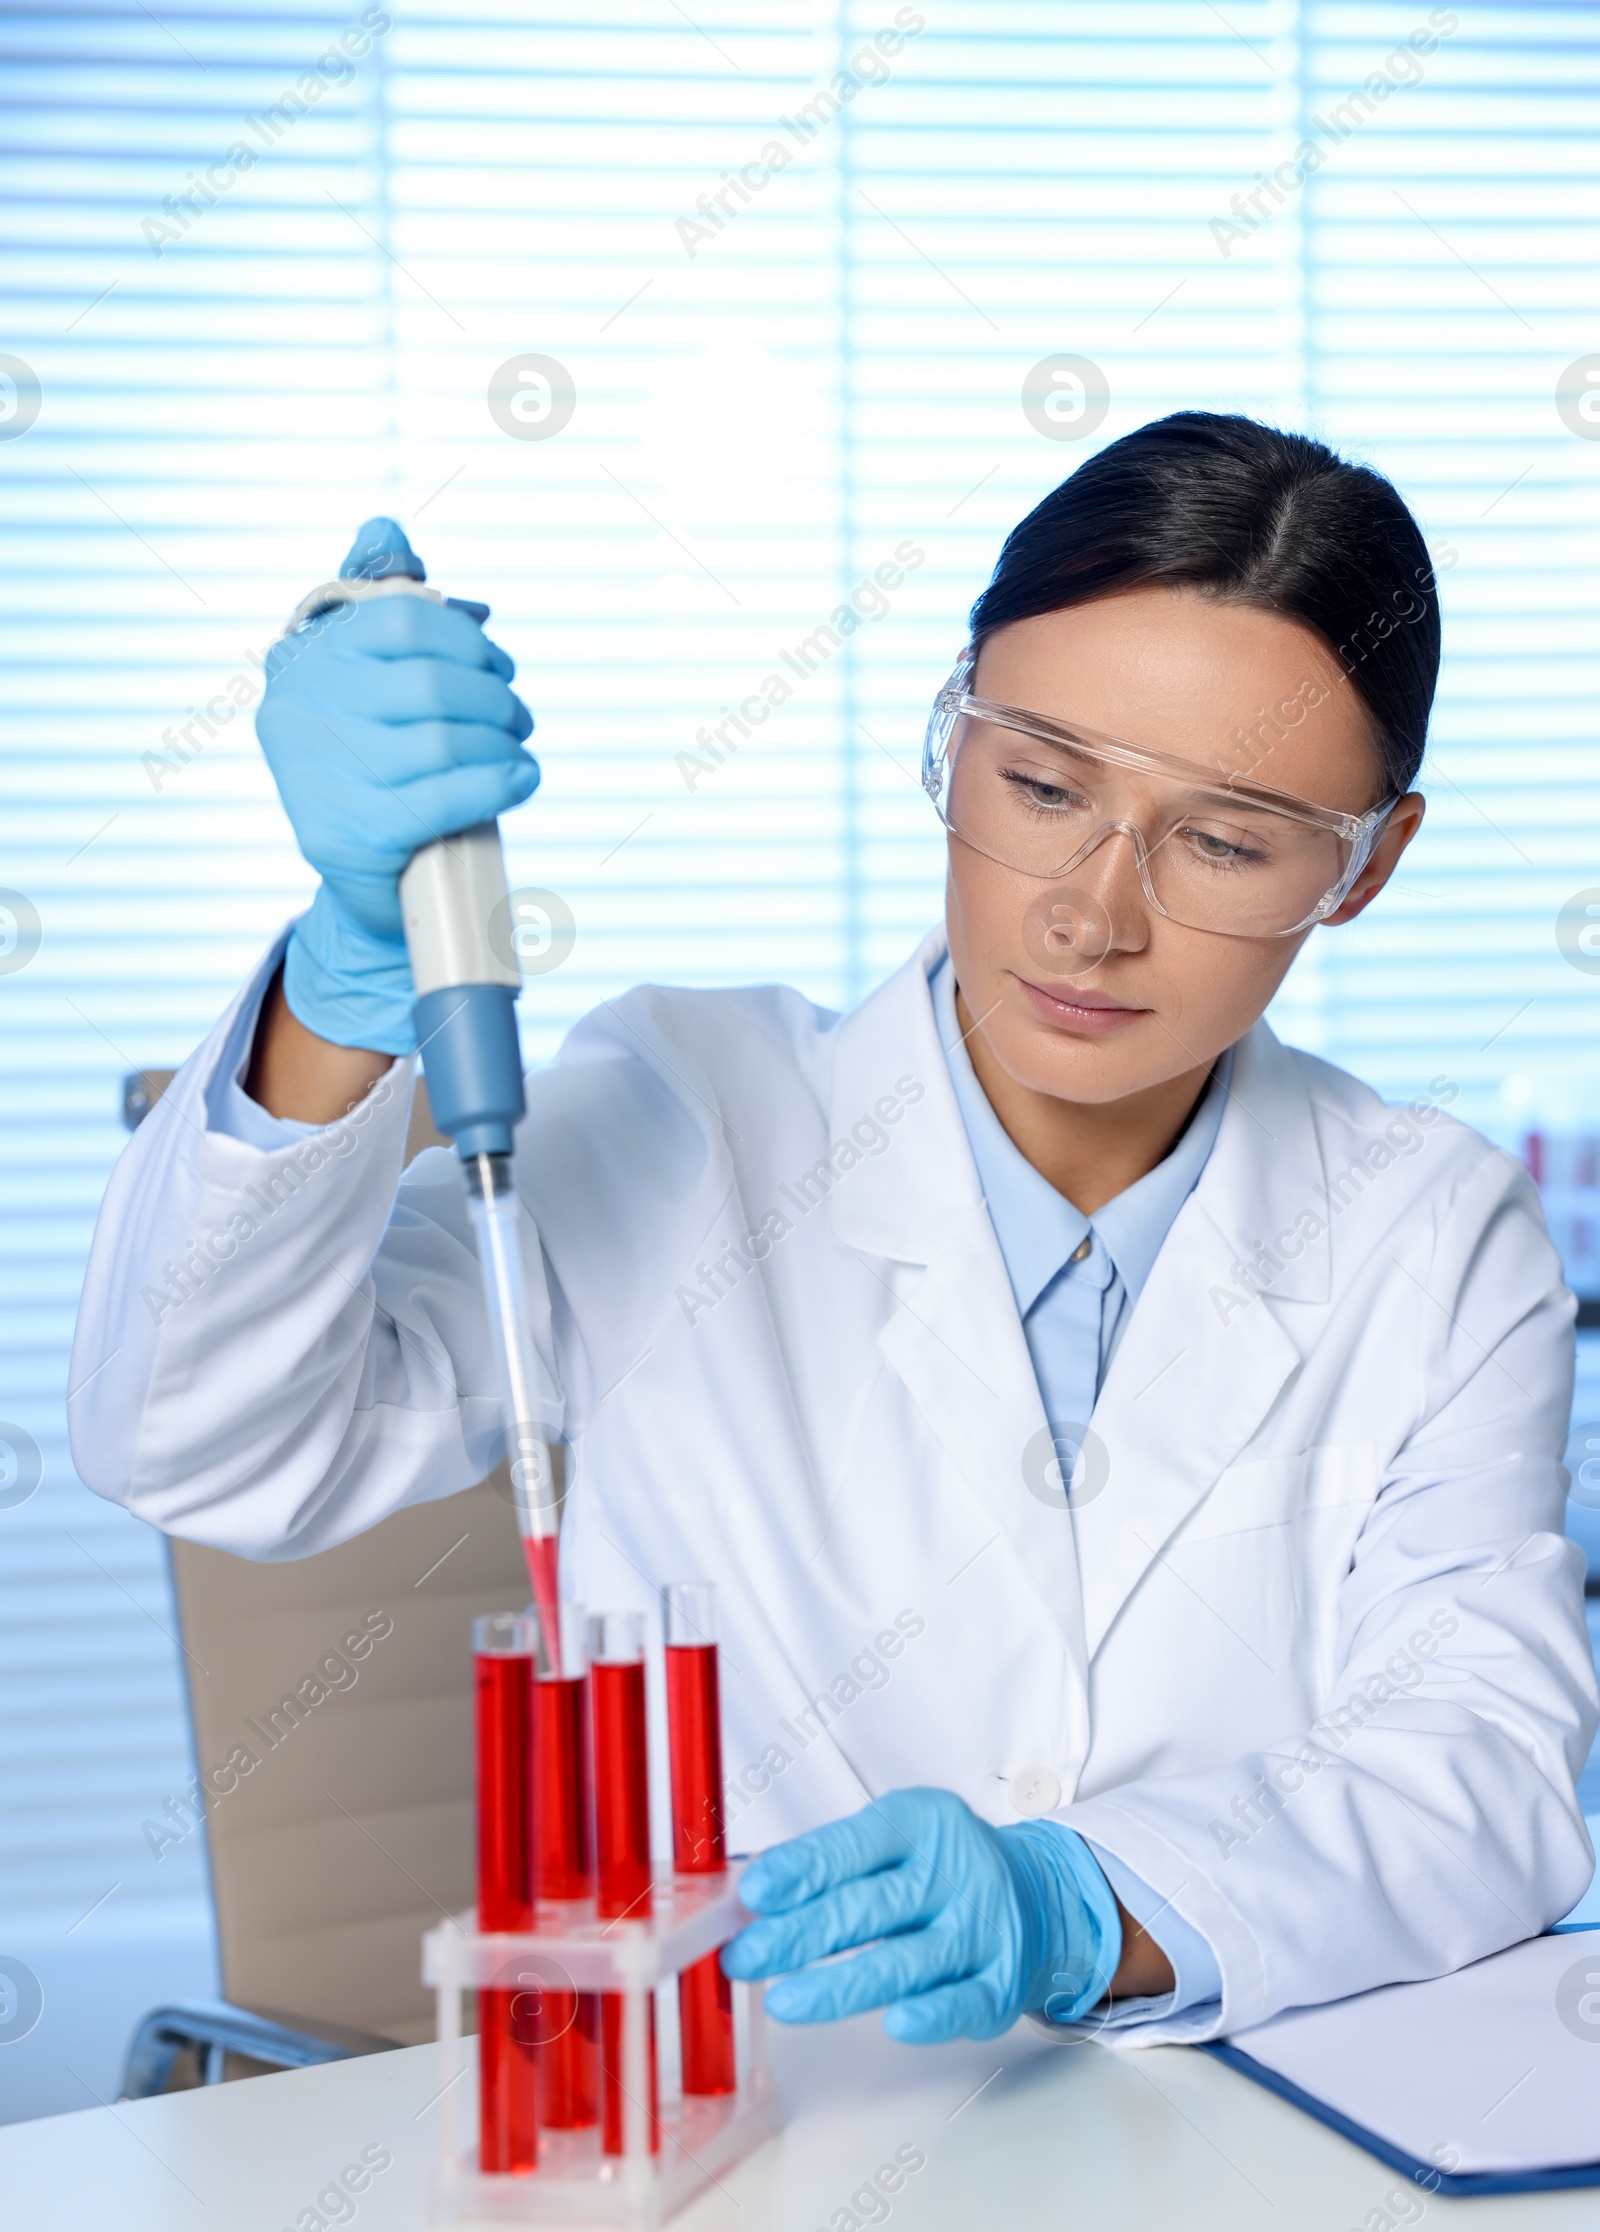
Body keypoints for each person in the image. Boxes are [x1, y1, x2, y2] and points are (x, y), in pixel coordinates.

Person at [70, 413, 1597, 2049]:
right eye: (1040, 784)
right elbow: (199, 1442)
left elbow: (1487, 1765)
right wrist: (345, 978)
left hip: (1244, 2163)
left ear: (1367, 868)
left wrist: (1090, 1901)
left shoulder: (1433, 1233)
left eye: (1224, 841)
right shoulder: (689, 1113)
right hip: (740, 2160)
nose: (1095, 908)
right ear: (949, 738)